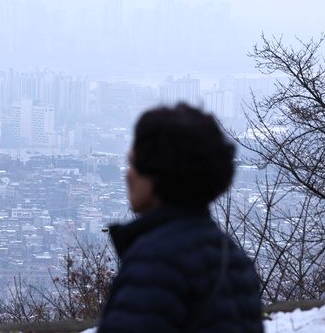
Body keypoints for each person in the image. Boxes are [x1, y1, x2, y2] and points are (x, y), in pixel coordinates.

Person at [98, 104, 264, 332]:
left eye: (135, 164)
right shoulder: (234, 258)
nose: (128, 174)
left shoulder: (155, 262)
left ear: (158, 174)